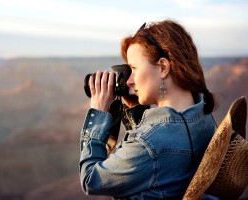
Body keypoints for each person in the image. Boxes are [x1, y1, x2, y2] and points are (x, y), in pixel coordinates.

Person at [79, 19, 217, 199]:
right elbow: (158, 166)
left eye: (134, 68)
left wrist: (98, 114)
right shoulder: (202, 115)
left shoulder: (150, 142)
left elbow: (90, 180)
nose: (129, 81)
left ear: (163, 67)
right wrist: (135, 111)